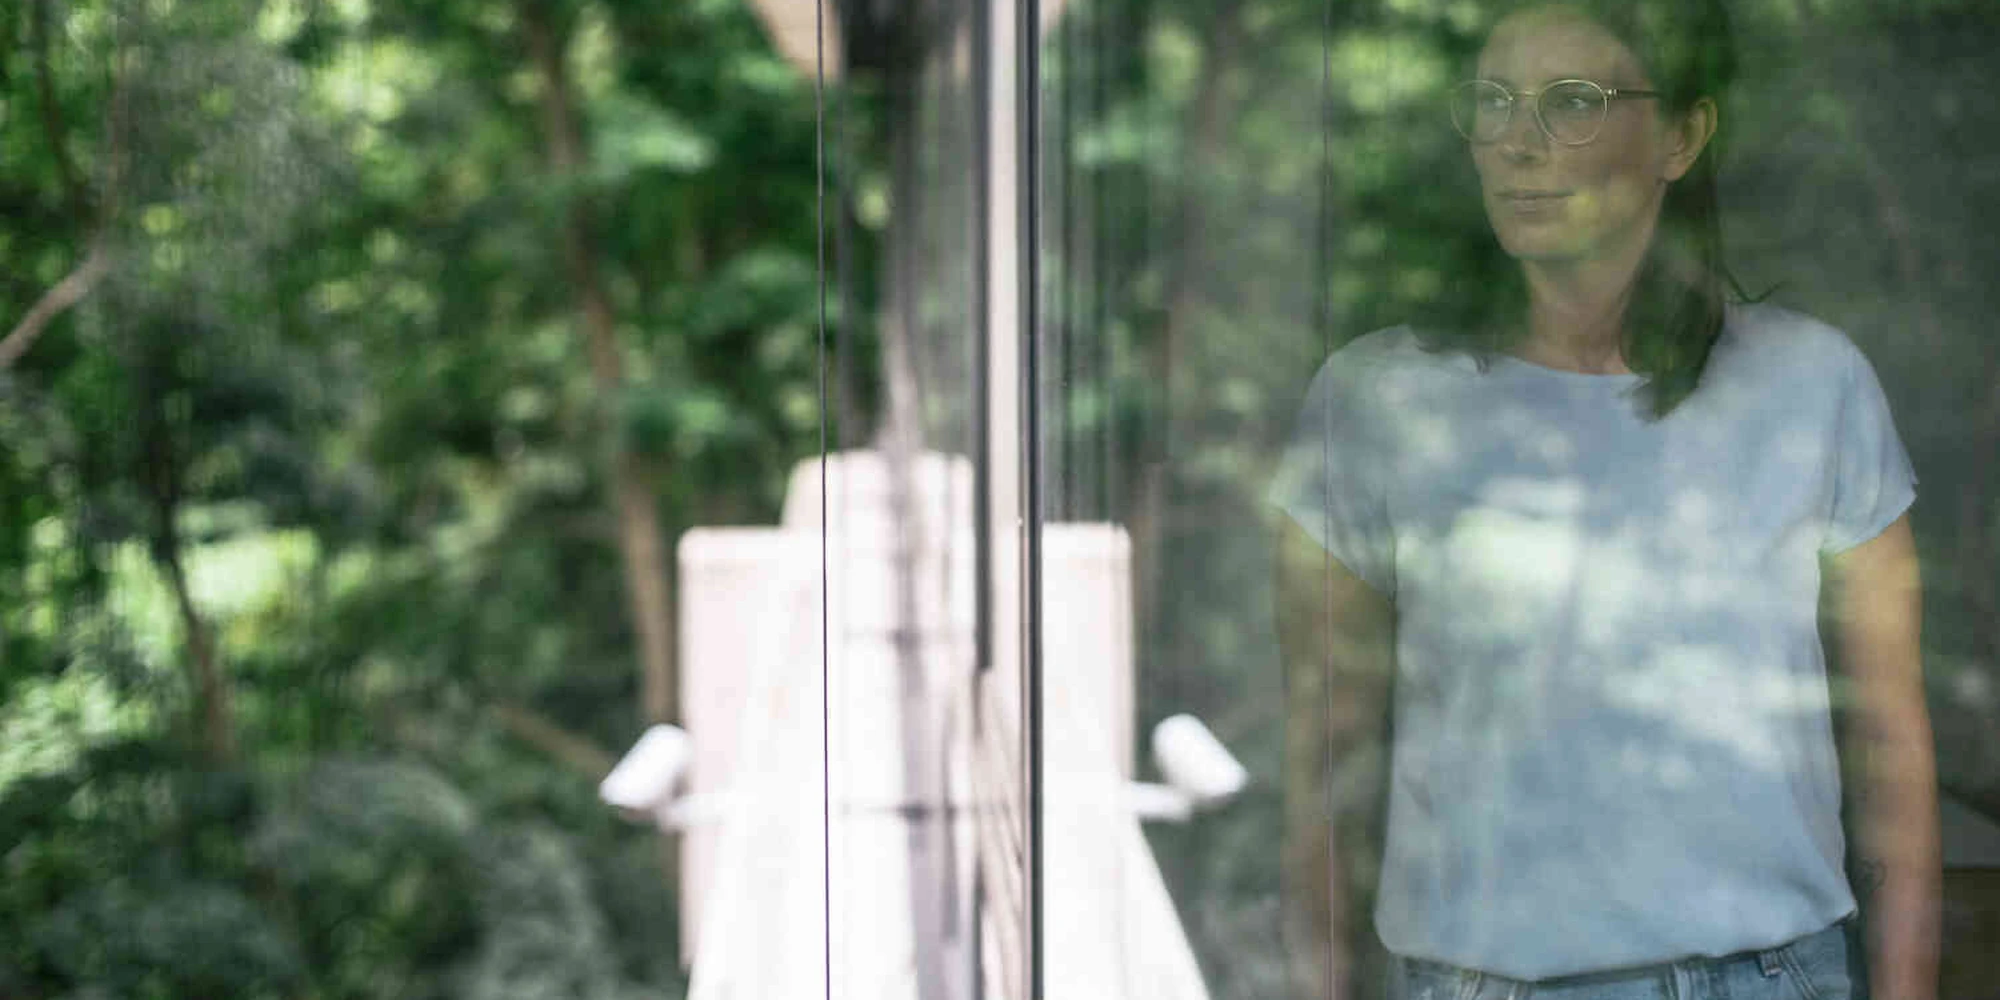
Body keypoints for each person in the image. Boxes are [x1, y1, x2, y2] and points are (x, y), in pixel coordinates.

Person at [1270, 2, 1941, 999]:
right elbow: (1325, 764)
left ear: (1681, 136)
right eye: (1491, 100)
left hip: (1769, 979)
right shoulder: (1376, 400)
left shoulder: (1812, 385)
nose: (1517, 140)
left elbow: (1888, 748)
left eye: (1573, 101)